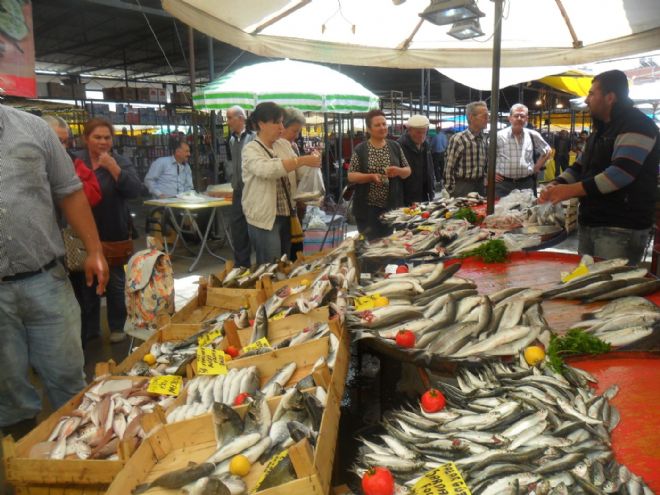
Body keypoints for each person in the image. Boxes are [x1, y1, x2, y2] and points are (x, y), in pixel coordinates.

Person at [0, 105, 108, 440]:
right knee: (8, 393)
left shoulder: (34, 130)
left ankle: (82, 459)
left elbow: (69, 191)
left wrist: (94, 250)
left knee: (67, 379)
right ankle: (23, 467)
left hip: (45, 279)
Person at [540, 70, 659, 265]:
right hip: (592, 221)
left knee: (607, 288)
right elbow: (579, 165)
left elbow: (620, 174)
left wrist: (568, 191)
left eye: (592, 93)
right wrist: (556, 183)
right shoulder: (601, 129)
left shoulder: (637, 125)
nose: (587, 100)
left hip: (621, 226)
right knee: (585, 282)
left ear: (610, 97)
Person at [73, 118, 142, 344]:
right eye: (97, 137)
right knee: (87, 283)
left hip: (113, 230)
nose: (103, 142)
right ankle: (90, 329)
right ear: (86, 139)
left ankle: (117, 325)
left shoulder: (120, 161)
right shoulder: (76, 161)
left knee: (115, 282)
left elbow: (135, 190)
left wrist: (114, 168)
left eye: (107, 137)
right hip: (81, 231)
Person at [242, 102, 321, 264]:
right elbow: (268, 170)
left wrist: (312, 163)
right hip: (264, 218)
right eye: (276, 122)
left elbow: (299, 172)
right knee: (271, 264)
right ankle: (270, 289)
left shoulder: (283, 144)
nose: (281, 127)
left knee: (285, 263)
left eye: (281, 122)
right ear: (261, 124)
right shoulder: (251, 149)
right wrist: (301, 160)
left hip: (286, 213)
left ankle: (281, 288)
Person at [348, 109, 411, 240]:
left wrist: (399, 171)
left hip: (390, 207)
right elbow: (351, 175)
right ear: (369, 129)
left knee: (386, 243)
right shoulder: (361, 149)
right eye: (377, 125)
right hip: (367, 209)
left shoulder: (395, 146)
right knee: (369, 245)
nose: (382, 127)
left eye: (384, 124)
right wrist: (370, 177)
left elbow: (407, 171)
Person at [43, 115, 102, 208]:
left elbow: (94, 196)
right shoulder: (26, 161)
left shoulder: (73, 161)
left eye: (65, 142)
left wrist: (71, 180)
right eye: (58, 141)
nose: (63, 147)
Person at [495, 103, 552, 198]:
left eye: (522, 116)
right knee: (500, 211)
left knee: (526, 211)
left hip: (526, 184)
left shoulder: (533, 135)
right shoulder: (499, 136)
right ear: (510, 118)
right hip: (503, 185)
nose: (519, 118)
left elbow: (548, 151)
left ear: (527, 118)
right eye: (516, 116)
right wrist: (489, 173)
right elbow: (487, 156)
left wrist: (537, 167)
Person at [281, 107, 313, 260]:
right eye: (294, 131)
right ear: (282, 126)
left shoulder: (292, 146)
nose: (297, 135)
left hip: (294, 202)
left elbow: (297, 173)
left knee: (295, 246)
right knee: (287, 248)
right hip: (283, 208)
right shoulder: (275, 146)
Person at [227, 105, 256, 267]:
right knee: (237, 228)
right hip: (237, 190)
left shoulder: (253, 138)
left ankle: (260, 264)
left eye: (230, 117)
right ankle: (242, 266)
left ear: (241, 118)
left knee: (253, 227)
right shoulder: (232, 140)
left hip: (251, 190)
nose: (228, 121)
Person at [443, 101, 489, 197]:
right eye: (484, 116)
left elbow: (485, 164)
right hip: (463, 186)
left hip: (480, 185)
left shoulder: (483, 139)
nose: (487, 119)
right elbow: (449, 167)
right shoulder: (459, 139)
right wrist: (450, 190)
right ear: (472, 117)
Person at [398, 114, 435, 205]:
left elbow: (430, 168)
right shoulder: (399, 146)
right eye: (418, 132)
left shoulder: (425, 145)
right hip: (407, 197)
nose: (422, 135)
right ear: (409, 130)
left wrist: (431, 190)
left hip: (424, 194)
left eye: (424, 132)